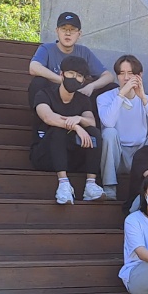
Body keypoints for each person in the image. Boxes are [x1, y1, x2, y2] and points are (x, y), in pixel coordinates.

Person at [29, 54, 103, 204]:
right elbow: (48, 117)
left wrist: (80, 119)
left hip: (70, 157)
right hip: (45, 154)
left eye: (79, 76)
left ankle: (90, 185)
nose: (74, 78)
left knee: (94, 133)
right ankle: (63, 184)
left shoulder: (83, 100)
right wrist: (75, 127)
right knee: (58, 130)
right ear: (61, 74)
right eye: (70, 73)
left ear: (83, 81)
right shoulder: (45, 94)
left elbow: (91, 122)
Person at [96, 54, 148, 195]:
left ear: (139, 75)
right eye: (121, 73)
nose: (126, 78)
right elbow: (108, 122)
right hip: (116, 154)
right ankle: (109, 188)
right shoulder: (104, 98)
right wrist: (121, 95)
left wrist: (143, 98)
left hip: (140, 154)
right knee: (109, 132)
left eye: (130, 73)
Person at [28, 11, 113, 97]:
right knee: (38, 82)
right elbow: (34, 67)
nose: (68, 33)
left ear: (79, 34)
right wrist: (63, 81)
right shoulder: (47, 49)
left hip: (77, 96)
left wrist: (92, 86)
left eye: (72, 30)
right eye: (64, 29)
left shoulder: (84, 52)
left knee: (111, 87)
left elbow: (108, 76)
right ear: (57, 31)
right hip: (52, 97)